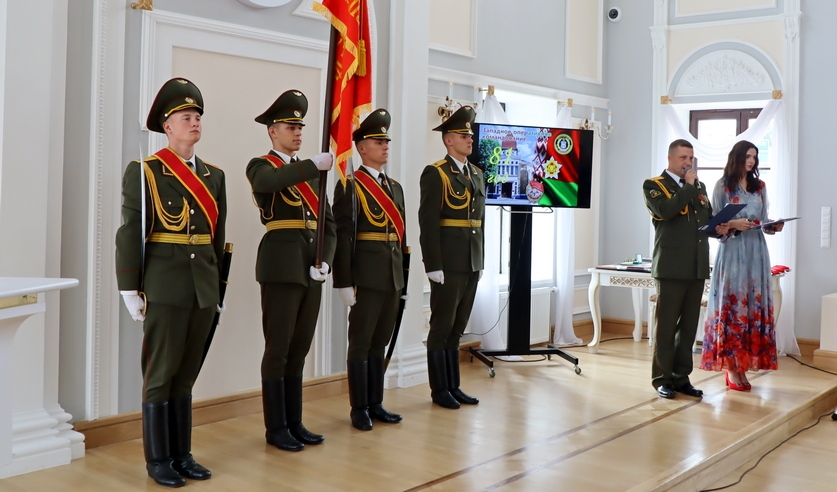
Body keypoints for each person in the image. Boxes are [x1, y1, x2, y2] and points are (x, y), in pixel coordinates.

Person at [116, 77, 226, 487]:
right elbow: (131, 231)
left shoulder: (214, 176)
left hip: (203, 287)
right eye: (186, 117)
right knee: (161, 374)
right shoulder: (145, 171)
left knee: (187, 374)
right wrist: (129, 288)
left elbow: (216, 237)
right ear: (167, 126)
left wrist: (218, 286)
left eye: (197, 116)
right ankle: (158, 459)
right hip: (165, 285)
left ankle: (182, 454)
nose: (194, 122)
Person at [246, 89, 336, 452]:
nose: (298, 132)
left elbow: (329, 224)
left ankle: (295, 422)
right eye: (290, 127)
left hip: (310, 268)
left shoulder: (312, 174)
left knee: (299, 350)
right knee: (278, 349)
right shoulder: (261, 165)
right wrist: (312, 166)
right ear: (272, 131)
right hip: (281, 266)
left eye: (300, 127)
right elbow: (268, 184)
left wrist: (326, 259)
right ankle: (276, 427)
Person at [332, 108, 406, 430]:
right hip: (366, 276)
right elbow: (343, 236)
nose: (385, 146)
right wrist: (343, 281)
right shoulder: (349, 186)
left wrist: (403, 275)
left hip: (391, 276)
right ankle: (359, 407)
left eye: (386, 141)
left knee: (380, 342)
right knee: (361, 343)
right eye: (378, 141)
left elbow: (400, 237)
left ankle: (376, 402)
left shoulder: (395, 187)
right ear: (361, 148)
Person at [643, 139, 728, 400]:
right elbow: (667, 211)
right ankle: (662, 379)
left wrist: (720, 228)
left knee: (689, 327)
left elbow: (704, 222)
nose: (688, 163)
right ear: (670, 159)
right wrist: (688, 187)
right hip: (670, 267)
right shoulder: (654, 186)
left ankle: (681, 378)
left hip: (696, 266)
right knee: (666, 327)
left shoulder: (699, 187)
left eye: (690, 158)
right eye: (683, 158)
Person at [699, 140, 783, 390]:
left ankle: (743, 366)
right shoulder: (722, 186)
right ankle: (732, 369)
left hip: (756, 251)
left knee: (752, 307)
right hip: (733, 252)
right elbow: (714, 224)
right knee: (734, 306)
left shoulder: (760, 186)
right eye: (747, 156)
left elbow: (763, 220)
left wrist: (772, 226)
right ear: (736, 157)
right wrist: (734, 224)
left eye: (754, 157)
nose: (751, 161)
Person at [418, 105, 485, 409]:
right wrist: (433, 264)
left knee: (458, 327)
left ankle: (454, 385)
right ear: (448, 140)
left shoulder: (477, 174)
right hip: (448, 263)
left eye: (470, 135)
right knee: (442, 327)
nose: (469, 139)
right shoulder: (436, 173)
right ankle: (439, 389)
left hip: (471, 261)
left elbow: (479, 222)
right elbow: (428, 222)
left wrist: (480, 260)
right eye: (463, 135)